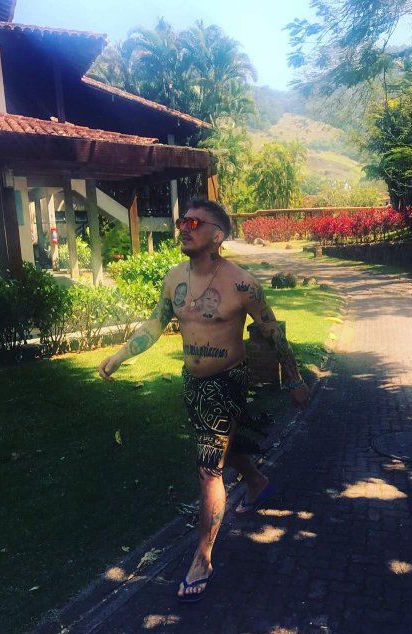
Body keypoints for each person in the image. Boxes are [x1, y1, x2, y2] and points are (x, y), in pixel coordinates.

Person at [98, 198, 310, 602]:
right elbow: (156, 322)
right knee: (226, 447)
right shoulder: (173, 277)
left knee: (209, 469)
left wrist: (295, 380)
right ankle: (256, 481)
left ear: (217, 235)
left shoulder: (243, 284)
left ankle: (202, 558)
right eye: (182, 221)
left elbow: (272, 332)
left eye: (194, 223)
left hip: (227, 381)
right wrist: (121, 354)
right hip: (193, 383)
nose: (183, 227)